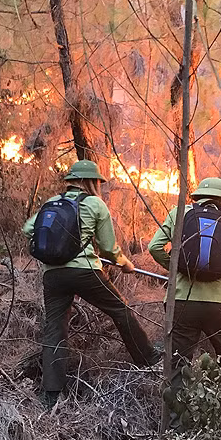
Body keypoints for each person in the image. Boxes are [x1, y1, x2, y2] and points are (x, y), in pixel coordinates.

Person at [23, 159, 160, 408]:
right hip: (85, 271)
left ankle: (51, 394)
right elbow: (109, 249)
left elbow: (27, 228)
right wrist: (125, 263)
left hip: (52, 275)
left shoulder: (52, 202)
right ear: (91, 182)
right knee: (120, 310)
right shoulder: (95, 203)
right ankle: (148, 358)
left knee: (54, 329)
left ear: (70, 182)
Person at [148, 177, 221, 428]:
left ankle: (176, 429)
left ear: (197, 197)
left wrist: (176, 270)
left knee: (179, 366)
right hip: (218, 305)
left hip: (182, 303)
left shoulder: (179, 213)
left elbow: (154, 247)